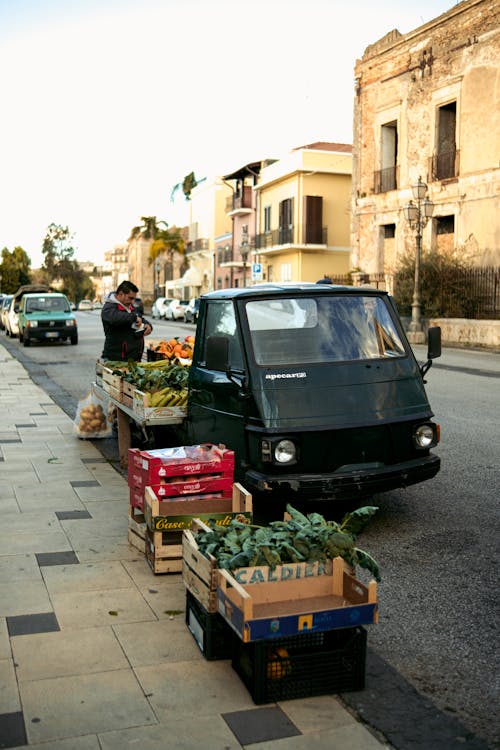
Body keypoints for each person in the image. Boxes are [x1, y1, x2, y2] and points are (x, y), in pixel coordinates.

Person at [101, 280, 153, 361]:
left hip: (133, 359)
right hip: (116, 359)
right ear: (121, 294)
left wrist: (148, 326)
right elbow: (116, 318)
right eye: (130, 298)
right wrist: (134, 318)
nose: (132, 301)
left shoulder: (129, 306)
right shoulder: (108, 308)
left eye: (134, 299)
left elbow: (140, 318)